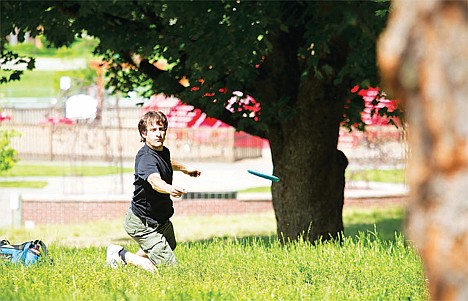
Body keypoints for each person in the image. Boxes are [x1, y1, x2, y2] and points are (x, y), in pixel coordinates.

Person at [106, 111, 201, 272]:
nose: (158, 134)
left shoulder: (162, 151)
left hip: (160, 220)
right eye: (153, 130)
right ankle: (120, 254)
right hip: (142, 222)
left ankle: (125, 263)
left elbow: (166, 162)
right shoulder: (145, 158)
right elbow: (154, 181)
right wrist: (169, 188)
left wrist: (185, 169)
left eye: (161, 129)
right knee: (170, 268)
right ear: (144, 133)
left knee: (170, 245)